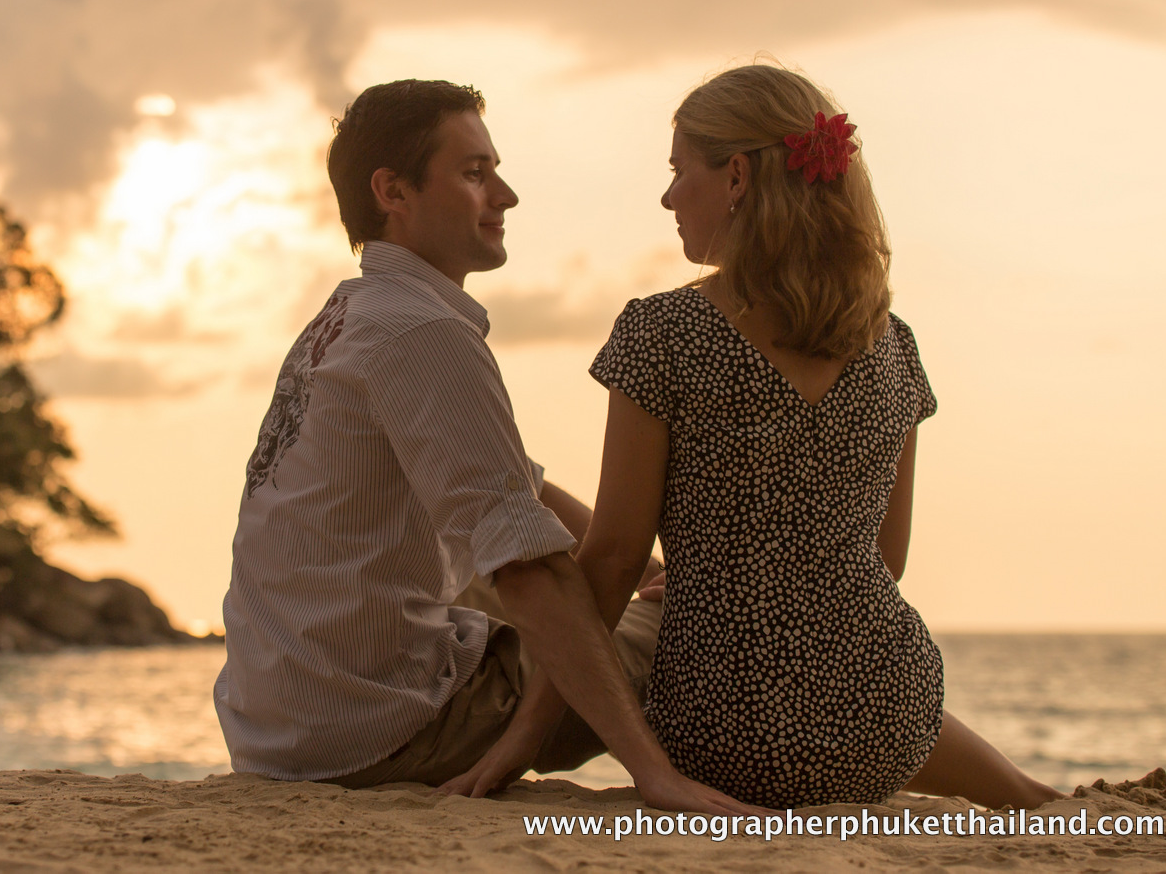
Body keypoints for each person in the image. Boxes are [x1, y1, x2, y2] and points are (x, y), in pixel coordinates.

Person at [444, 64, 1062, 811]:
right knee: (871, 679)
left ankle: (1029, 792)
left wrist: (526, 739)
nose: (669, 196)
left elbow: (610, 566)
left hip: (723, 734)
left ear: (736, 175)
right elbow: (882, 565)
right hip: (887, 719)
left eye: (679, 171)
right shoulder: (894, 343)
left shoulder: (663, 333)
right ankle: (1035, 795)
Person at [214, 79, 758, 816]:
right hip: (382, 732)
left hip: (276, 729)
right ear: (393, 191)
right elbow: (529, 572)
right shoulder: (423, 333)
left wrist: (650, 566)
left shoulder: (347, 317)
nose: (505, 194)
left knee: (547, 575)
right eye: (475, 173)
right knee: (701, 614)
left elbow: (516, 487)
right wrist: (651, 772)